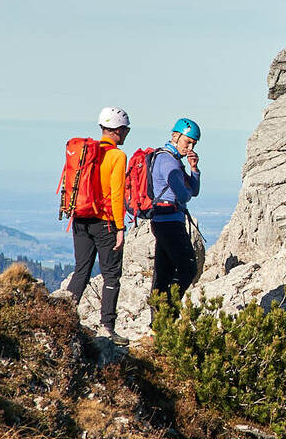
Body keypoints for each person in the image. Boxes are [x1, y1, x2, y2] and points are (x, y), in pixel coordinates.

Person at [60, 107, 131, 331]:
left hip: (80, 219)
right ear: (118, 131)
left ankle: (61, 319)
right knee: (111, 276)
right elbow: (117, 193)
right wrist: (120, 227)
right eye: (126, 130)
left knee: (81, 269)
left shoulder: (86, 153)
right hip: (105, 222)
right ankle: (107, 327)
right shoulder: (117, 156)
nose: (127, 134)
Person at [148, 117, 202, 299]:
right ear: (176, 136)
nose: (190, 149)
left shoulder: (173, 159)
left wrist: (194, 169)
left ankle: (159, 320)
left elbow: (193, 191)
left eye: (193, 144)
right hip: (169, 222)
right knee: (188, 268)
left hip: (164, 221)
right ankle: (169, 309)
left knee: (164, 273)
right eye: (188, 142)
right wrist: (185, 185)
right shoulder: (168, 161)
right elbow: (185, 195)